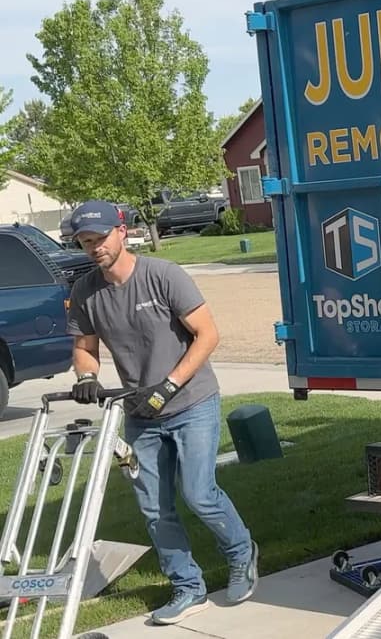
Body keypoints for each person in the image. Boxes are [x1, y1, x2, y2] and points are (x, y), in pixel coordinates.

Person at [64, 200, 258, 625]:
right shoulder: (85, 292)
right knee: (154, 507)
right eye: (85, 242)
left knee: (199, 493)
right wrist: (85, 376)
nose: (94, 248)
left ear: (122, 232)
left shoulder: (162, 275)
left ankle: (242, 553)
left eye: (99, 238)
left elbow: (207, 334)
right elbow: (85, 348)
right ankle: (188, 588)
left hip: (192, 402)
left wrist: (170, 384)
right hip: (140, 413)